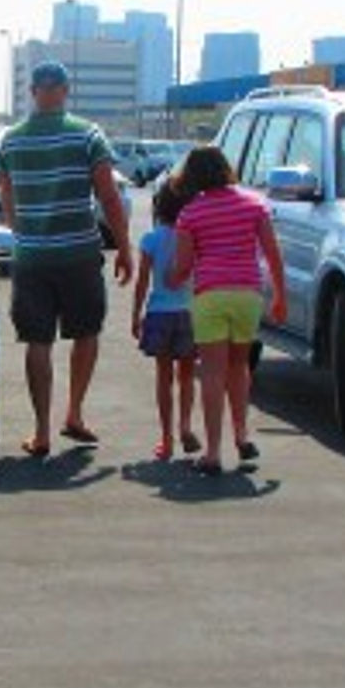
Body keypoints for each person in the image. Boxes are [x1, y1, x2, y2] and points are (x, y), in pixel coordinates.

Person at [0, 60, 133, 456]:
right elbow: (108, 196)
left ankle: (41, 432)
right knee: (85, 332)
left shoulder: (12, 141)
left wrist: (23, 228)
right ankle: (74, 412)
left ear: (32, 92)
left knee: (37, 341)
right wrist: (124, 246)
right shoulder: (87, 135)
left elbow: (7, 201)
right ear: (66, 91)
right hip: (79, 253)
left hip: (32, 256)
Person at [168, 145, 287, 475]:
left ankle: (213, 452)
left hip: (210, 296)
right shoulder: (254, 204)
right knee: (239, 366)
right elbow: (272, 252)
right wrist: (280, 296)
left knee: (212, 372)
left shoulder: (190, 214)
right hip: (247, 294)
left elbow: (184, 265)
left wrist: (170, 278)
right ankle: (241, 435)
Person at [131, 182, 201, 461]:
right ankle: (185, 426)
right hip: (188, 311)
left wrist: (136, 314)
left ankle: (166, 438)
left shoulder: (150, 239)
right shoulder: (192, 238)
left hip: (159, 312)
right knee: (187, 375)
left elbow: (143, 281)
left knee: (164, 376)